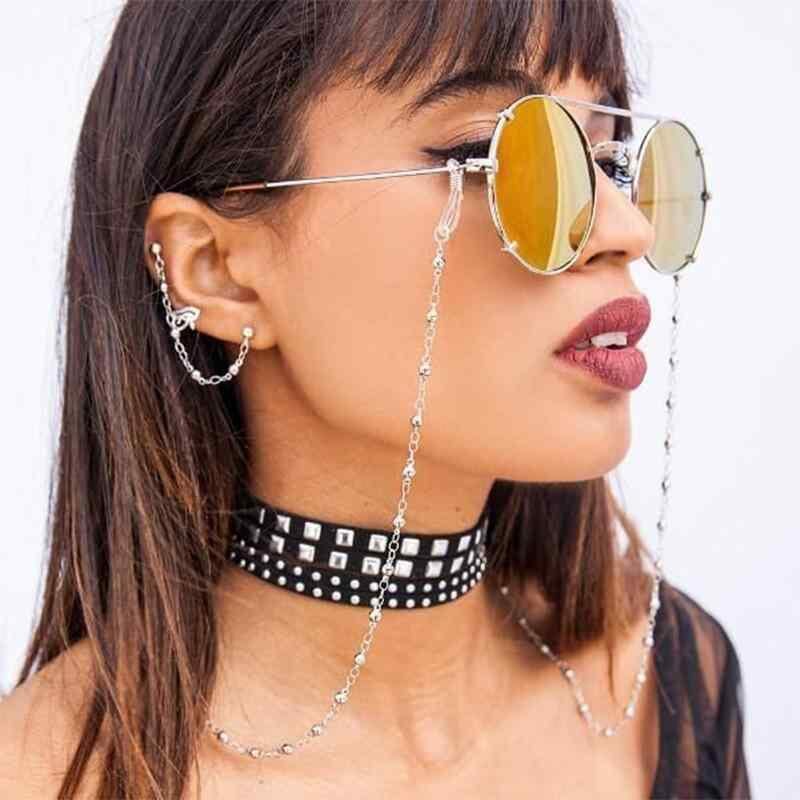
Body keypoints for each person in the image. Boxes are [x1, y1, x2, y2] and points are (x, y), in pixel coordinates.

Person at [0, 1, 750, 798]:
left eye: (608, 158)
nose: (625, 228)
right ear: (215, 269)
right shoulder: (38, 775)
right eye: (493, 152)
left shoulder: (669, 684)